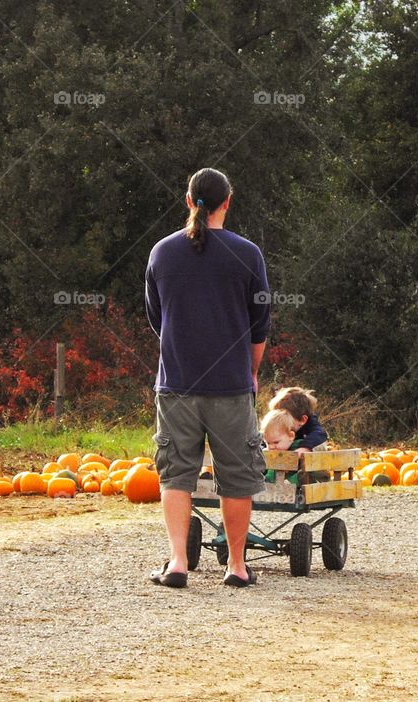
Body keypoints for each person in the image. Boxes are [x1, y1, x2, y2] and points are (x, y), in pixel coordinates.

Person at [144, 167, 270, 589]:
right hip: (231, 385)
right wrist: (250, 371)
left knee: (176, 474)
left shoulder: (161, 253)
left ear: (188, 200)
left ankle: (178, 563)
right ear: (227, 203)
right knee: (236, 475)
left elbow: (158, 320)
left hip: (176, 383)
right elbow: (260, 325)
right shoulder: (248, 254)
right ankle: (236, 566)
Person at [268, 387, 328, 452]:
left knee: (319, 445)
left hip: (304, 455)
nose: (279, 423)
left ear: (302, 420)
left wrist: (305, 448)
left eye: (285, 420)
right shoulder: (277, 426)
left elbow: (319, 433)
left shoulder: (310, 422)